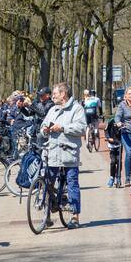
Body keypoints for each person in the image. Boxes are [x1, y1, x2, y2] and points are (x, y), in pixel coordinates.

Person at [41, 83, 86, 229]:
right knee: (47, 183)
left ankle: (75, 217)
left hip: (69, 154)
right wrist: (44, 130)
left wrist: (62, 128)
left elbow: (81, 128)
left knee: (72, 184)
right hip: (52, 153)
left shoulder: (77, 109)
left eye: (55, 93)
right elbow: (43, 125)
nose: (52, 96)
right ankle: (47, 216)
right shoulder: (52, 110)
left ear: (63, 94)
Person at [105, 116, 122, 188]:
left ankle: (118, 177)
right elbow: (106, 130)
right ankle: (112, 177)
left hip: (119, 144)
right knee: (113, 161)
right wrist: (108, 138)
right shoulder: (111, 121)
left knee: (119, 161)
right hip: (112, 144)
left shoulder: (124, 121)